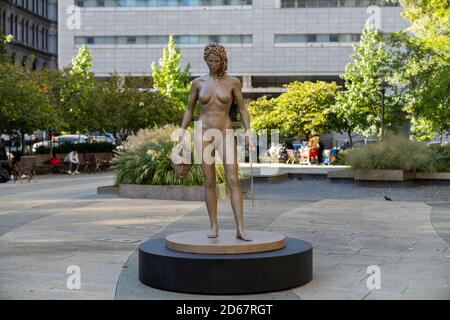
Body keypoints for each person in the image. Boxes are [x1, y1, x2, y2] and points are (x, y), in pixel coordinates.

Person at [179, 43, 252, 241]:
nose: (213, 64)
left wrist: (249, 131)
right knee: (209, 180)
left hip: (224, 132)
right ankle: (214, 226)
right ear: (205, 60)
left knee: (233, 179)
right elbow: (189, 109)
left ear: (223, 61)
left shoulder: (233, 83)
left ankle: (240, 228)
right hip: (202, 132)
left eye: (217, 61)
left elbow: (243, 109)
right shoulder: (197, 83)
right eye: (210, 61)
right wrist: (181, 131)